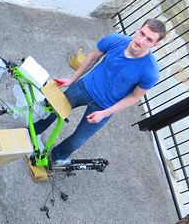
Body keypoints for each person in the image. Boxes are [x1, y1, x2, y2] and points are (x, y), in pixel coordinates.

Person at [34, 18, 166, 165]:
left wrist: (105, 113)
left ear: (155, 44)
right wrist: (72, 79)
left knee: (76, 141)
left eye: (149, 40)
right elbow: (92, 58)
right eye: (142, 33)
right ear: (138, 29)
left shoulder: (151, 72)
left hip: (104, 106)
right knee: (53, 111)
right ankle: (32, 133)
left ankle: (54, 159)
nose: (141, 41)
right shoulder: (114, 40)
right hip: (84, 87)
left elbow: (134, 97)